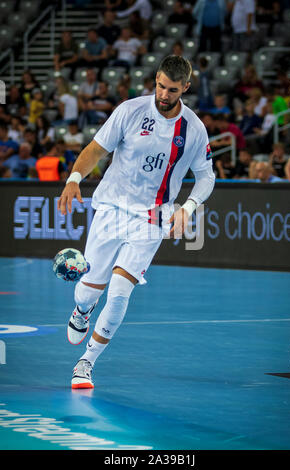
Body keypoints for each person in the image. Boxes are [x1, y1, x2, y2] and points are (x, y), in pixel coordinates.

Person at [57, 55, 216, 389]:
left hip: (152, 218)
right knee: (88, 290)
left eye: (172, 90)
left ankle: (86, 362)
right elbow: (96, 149)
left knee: (118, 294)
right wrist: (73, 178)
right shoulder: (130, 110)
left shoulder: (194, 130)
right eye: (159, 85)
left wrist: (187, 207)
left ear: (185, 87)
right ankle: (82, 311)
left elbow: (206, 177)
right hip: (111, 208)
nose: (163, 94)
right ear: (155, 80)